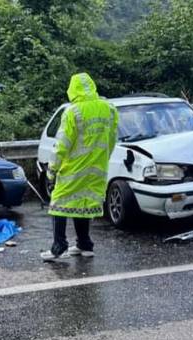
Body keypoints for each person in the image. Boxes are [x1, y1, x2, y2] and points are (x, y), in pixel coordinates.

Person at [41, 72, 119, 261]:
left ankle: (59, 246)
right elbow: (112, 138)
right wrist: (102, 159)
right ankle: (85, 245)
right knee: (84, 204)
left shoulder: (73, 111)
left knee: (58, 205)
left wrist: (52, 169)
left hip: (73, 169)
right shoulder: (109, 109)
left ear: (72, 89)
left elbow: (63, 144)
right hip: (97, 169)